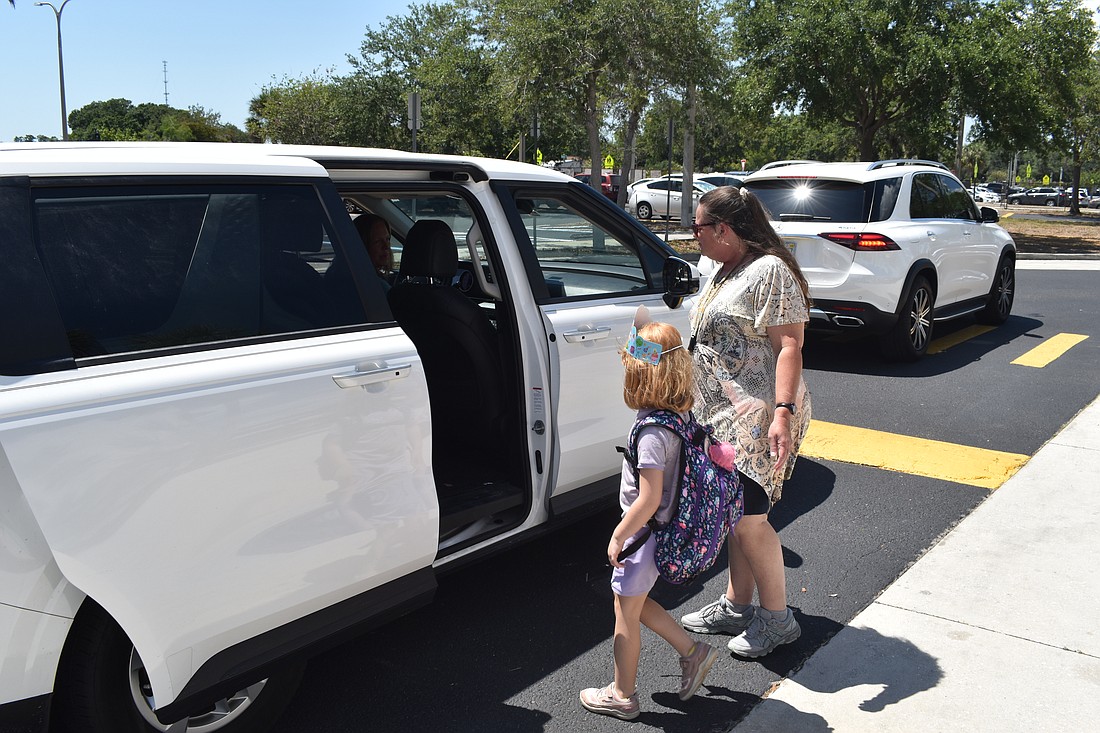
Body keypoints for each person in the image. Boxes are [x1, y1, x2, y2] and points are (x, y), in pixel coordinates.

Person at [680, 185, 813, 658]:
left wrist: (782, 412)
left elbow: (789, 347)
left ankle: (778, 621)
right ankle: (738, 604)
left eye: (697, 227)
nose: (691, 234)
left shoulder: (769, 272)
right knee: (735, 516)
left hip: (757, 418)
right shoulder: (723, 268)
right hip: (718, 418)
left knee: (751, 518)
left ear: (724, 228)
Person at [580, 309, 720, 721]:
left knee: (625, 616)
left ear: (641, 379)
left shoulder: (651, 433)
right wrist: (640, 327)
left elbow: (648, 496)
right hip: (663, 530)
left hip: (644, 534)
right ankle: (693, 652)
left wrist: (619, 535)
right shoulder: (678, 417)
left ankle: (622, 695)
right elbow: (651, 344)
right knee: (634, 603)